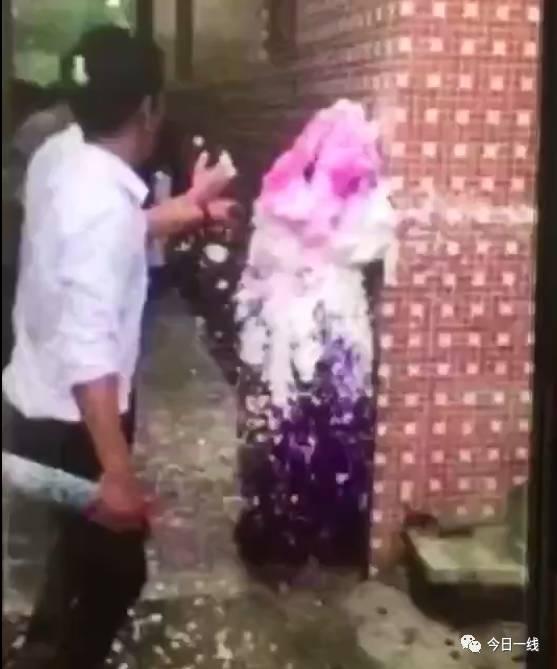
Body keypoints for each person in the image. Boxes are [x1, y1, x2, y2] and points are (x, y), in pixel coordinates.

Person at [3, 25, 238, 669]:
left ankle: (43, 646)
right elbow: (89, 353)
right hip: (74, 419)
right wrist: (117, 473)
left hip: (35, 397)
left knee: (76, 553)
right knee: (116, 573)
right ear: (148, 110)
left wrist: (189, 207)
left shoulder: (58, 154)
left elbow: (101, 235)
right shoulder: (102, 204)